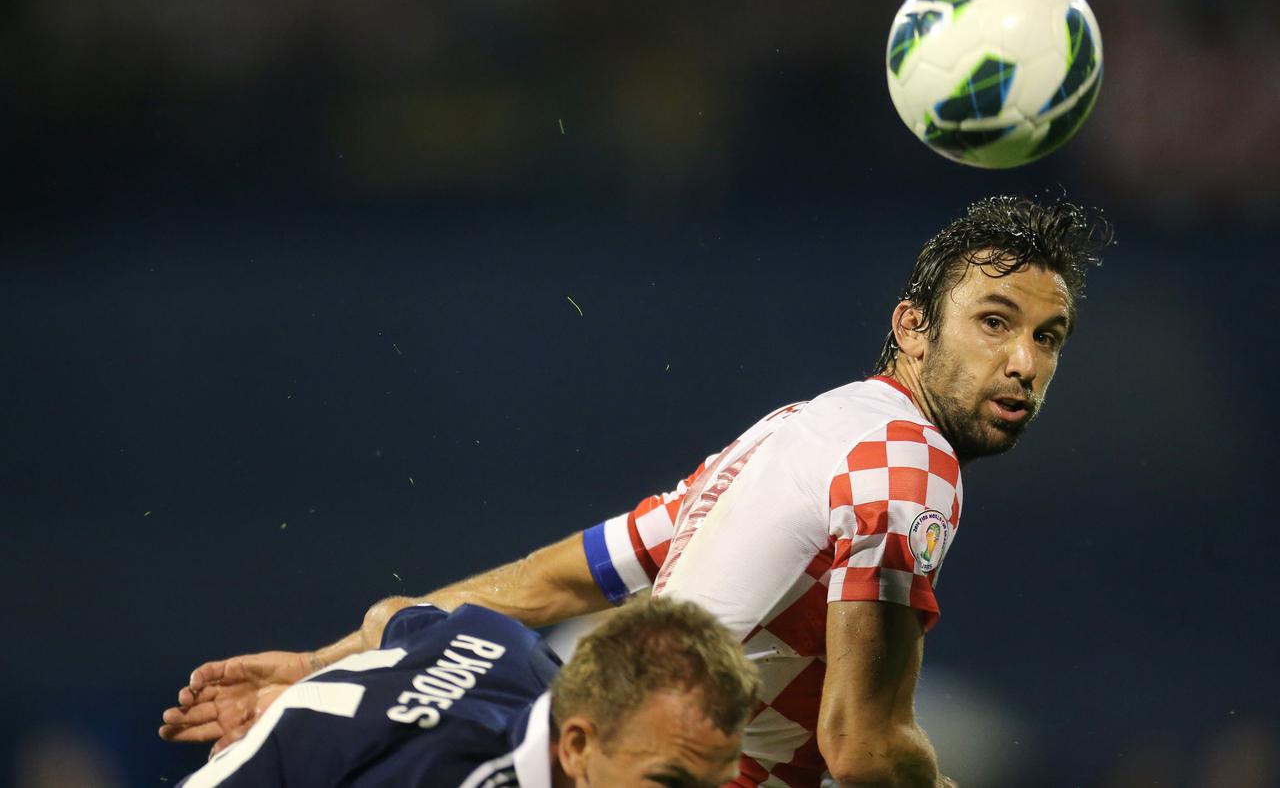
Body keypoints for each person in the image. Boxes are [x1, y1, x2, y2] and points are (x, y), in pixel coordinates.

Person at [162, 195, 1111, 787]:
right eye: (994, 322)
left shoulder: (794, 433)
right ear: (911, 326)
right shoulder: (910, 468)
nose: (1022, 362)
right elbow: (863, 748)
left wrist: (326, 662)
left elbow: (555, 583)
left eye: (1047, 338)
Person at [172, 596, 760, 787]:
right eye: (669, 784)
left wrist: (313, 664)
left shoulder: (505, 642)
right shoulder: (428, 769)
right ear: (576, 745)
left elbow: (394, 616)